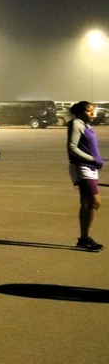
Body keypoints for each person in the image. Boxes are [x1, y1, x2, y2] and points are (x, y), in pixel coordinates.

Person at [67, 100, 103, 252]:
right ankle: (84, 238)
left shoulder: (88, 126)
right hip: (83, 168)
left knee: (87, 203)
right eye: (89, 111)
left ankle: (83, 239)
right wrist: (92, 159)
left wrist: (96, 160)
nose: (93, 114)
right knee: (95, 202)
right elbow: (72, 147)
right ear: (81, 112)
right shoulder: (76, 124)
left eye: (93, 111)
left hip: (90, 168)